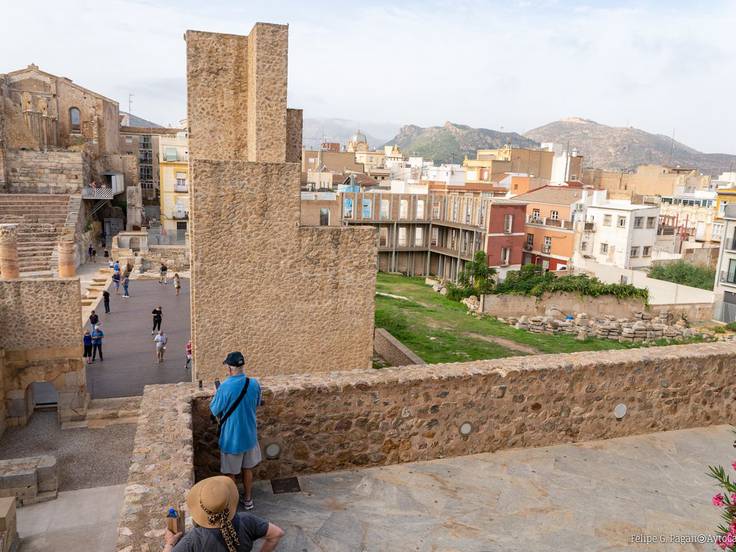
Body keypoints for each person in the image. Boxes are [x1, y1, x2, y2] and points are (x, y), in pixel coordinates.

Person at [162, 476, 283, 552]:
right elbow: (277, 533)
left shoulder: (194, 540)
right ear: (229, 502)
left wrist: (170, 543)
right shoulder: (246, 521)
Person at [210, 352, 262, 511]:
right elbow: (257, 403)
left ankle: (232, 503)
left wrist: (216, 395)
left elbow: (214, 409)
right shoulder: (254, 383)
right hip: (250, 435)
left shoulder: (224, 387)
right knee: (248, 469)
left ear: (230, 369)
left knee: (230, 474)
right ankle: (248, 500)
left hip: (232, 438)